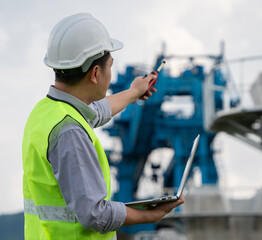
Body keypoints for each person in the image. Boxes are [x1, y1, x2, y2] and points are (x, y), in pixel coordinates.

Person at [22, 13, 184, 240]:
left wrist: (133, 92)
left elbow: (97, 111)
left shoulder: (46, 112)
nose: (110, 76)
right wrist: (149, 215)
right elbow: (95, 214)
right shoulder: (70, 132)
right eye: (110, 67)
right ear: (96, 73)